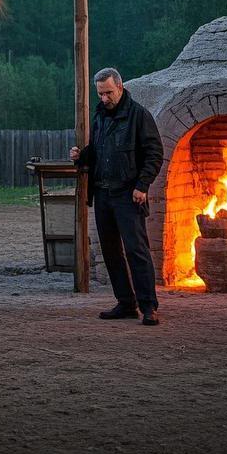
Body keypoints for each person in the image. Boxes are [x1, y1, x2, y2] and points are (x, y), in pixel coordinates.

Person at [70, 68, 164, 326]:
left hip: (128, 194)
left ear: (120, 88)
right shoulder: (100, 116)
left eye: (108, 92)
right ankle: (126, 303)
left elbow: (155, 153)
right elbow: (100, 151)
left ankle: (148, 307)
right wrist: (82, 156)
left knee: (137, 251)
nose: (104, 98)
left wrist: (142, 185)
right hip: (103, 193)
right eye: (100, 94)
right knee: (111, 252)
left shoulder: (138, 116)